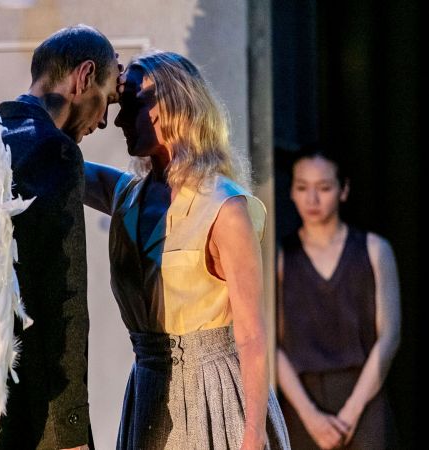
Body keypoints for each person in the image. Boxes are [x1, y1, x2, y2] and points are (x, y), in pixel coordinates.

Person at [84, 51, 290, 450]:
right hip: (148, 388)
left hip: (214, 393)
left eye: (131, 107)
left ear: (170, 106)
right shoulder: (127, 195)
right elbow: (58, 162)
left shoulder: (224, 208)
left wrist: (251, 437)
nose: (120, 120)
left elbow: (251, 335)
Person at [0, 25, 120, 450]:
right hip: (38, 419)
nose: (104, 120)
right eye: (107, 99)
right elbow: (65, 300)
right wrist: (73, 428)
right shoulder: (55, 152)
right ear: (84, 76)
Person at [275, 146, 401, 449]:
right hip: (302, 402)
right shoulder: (281, 257)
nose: (312, 199)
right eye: (302, 187)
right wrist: (311, 416)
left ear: (343, 190)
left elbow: (390, 337)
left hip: (364, 395)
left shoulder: (373, 249)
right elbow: (271, 345)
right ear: (291, 191)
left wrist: (351, 412)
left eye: (324, 188)